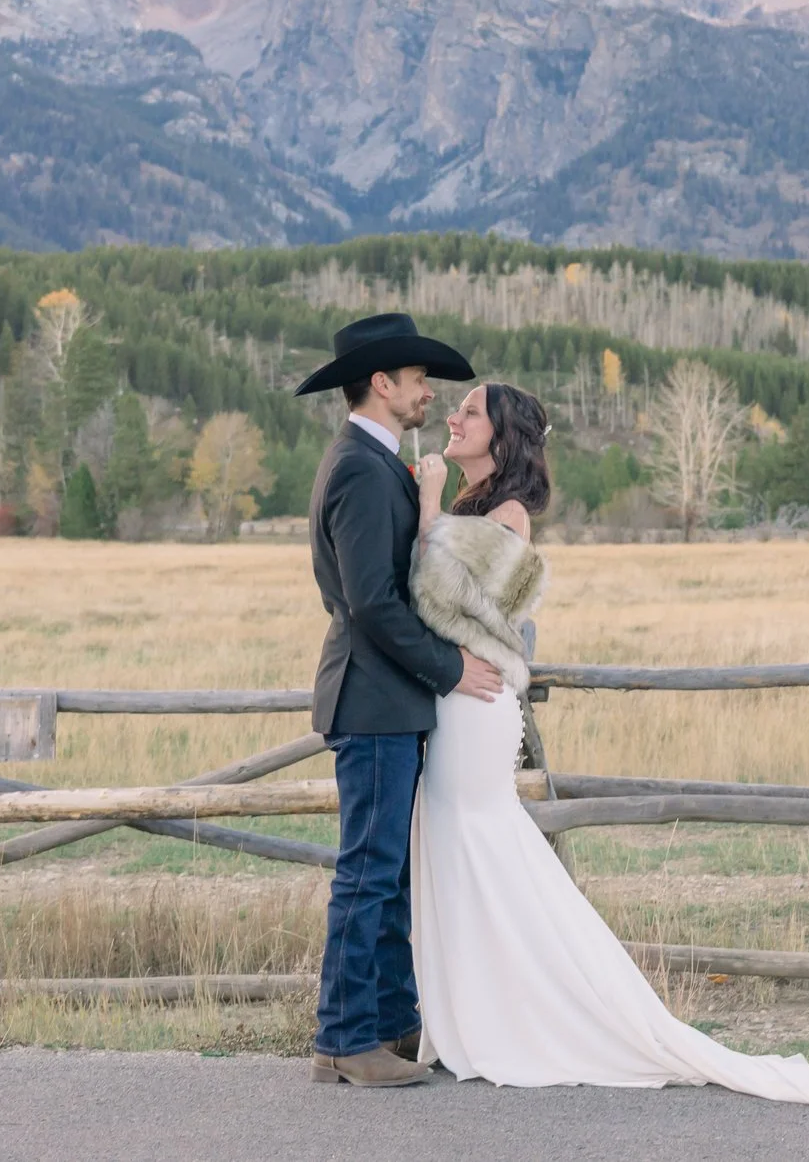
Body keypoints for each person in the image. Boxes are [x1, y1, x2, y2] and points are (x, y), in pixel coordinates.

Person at [402, 378, 809, 1121]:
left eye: (470, 411)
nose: (453, 415)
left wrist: (424, 504)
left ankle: (538, 1011)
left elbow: (436, 592)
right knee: (458, 846)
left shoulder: (507, 513)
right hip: (459, 702)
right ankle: (474, 1011)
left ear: (502, 438)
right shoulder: (470, 508)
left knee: (481, 843)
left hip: (476, 705)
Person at [296, 313, 506, 1088]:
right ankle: (343, 1037)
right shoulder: (357, 466)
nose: (428, 392)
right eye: (418, 380)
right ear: (382, 384)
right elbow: (372, 605)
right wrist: (450, 668)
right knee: (367, 873)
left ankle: (388, 1022)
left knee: (386, 874)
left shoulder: (377, 462)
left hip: (388, 700)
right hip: (374, 698)